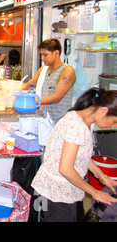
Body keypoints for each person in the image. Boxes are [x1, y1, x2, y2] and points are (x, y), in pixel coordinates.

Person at [31, 88, 117, 222]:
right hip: (57, 192)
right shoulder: (75, 126)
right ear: (103, 111)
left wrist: (103, 177)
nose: (113, 126)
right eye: (114, 122)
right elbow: (65, 169)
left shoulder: (87, 121)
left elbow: (82, 155)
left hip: (70, 187)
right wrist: (95, 193)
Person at [23, 39, 76, 124]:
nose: (42, 58)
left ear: (56, 53)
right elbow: (27, 86)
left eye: (45, 55)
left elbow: (57, 97)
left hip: (60, 121)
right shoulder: (43, 70)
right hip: (43, 119)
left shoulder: (67, 71)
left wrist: (33, 101)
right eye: (41, 55)